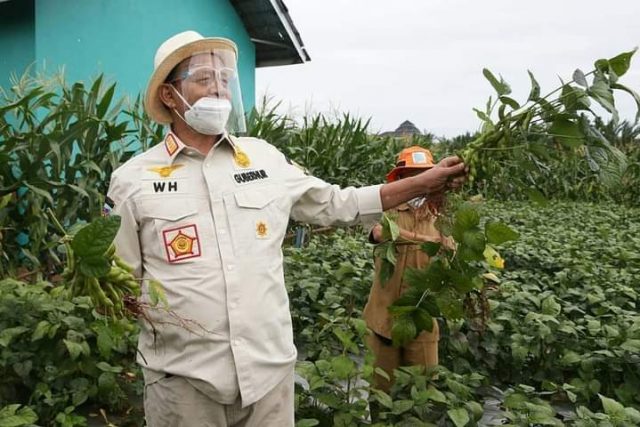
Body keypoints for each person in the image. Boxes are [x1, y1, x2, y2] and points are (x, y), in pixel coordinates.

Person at [106, 31, 466, 427]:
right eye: (204, 78)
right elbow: (120, 283)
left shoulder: (264, 159)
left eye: (225, 79)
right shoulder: (133, 180)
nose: (219, 90)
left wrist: (421, 183)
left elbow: (335, 203)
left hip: (268, 376)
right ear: (170, 96)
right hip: (183, 385)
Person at [363, 146, 454, 392]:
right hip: (383, 318)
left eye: (423, 174)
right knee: (380, 393)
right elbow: (380, 232)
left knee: (423, 393)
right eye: (412, 176)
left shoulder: (441, 215)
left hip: (421, 316)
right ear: (400, 179)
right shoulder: (385, 208)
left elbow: (452, 253)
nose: (419, 181)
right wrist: (426, 240)